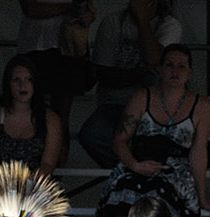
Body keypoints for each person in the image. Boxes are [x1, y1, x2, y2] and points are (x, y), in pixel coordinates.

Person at [93, 43, 210, 217]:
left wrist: (202, 198)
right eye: (169, 65)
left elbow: (199, 152)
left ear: (189, 72)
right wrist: (135, 165)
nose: (175, 71)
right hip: (137, 164)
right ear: (160, 69)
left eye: (181, 66)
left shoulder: (201, 105)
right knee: (123, 199)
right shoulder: (143, 97)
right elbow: (120, 139)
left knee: (162, 202)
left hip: (174, 172)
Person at [76, 0, 181, 167]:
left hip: (154, 110)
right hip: (115, 103)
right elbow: (105, 75)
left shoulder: (169, 24)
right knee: (91, 136)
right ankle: (130, 173)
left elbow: (156, 59)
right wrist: (143, 72)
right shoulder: (113, 22)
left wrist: (142, 22)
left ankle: (141, 174)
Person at [14, 0, 95, 144]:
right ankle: (39, 160)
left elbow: (88, 10)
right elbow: (31, 8)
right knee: (33, 113)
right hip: (38, 48)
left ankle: (57, 163)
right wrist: (72, 7)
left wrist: (86, 14)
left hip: (66, 49)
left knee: (60, 117)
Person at [0, 55, 61, 178]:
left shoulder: (50, 119)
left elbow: (48, 164)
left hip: (37, 188)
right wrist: (7, 182)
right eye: (16, 80)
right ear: (8, 84)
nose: (22, 85)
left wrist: (28, 183)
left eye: (28, 79)